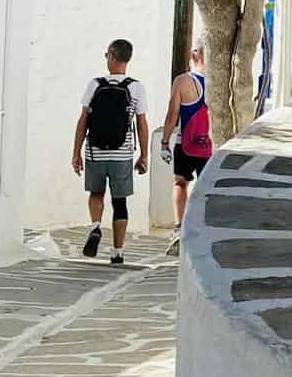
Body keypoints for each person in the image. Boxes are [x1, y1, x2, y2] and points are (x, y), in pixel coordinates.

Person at [73, 39, 148, 265]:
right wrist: (144, 155)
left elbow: (83, 120)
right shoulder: (136, 87)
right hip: (122, 155)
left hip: (95, 152)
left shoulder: (95, 84)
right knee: (120, 202)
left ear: (112, 57)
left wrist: (76, 153)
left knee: (96, 193)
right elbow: (142, 123)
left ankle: (96, 226)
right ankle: (117, 252)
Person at [161, 46, 213, 245]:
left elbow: (172, 115)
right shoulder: (218, 82)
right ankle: (201, 228)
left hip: (185, 143)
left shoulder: (183, 81)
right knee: (205, 188)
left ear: (193, 55)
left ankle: (179, 227)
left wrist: (165, 142)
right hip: (209, 144)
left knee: (180, 182)